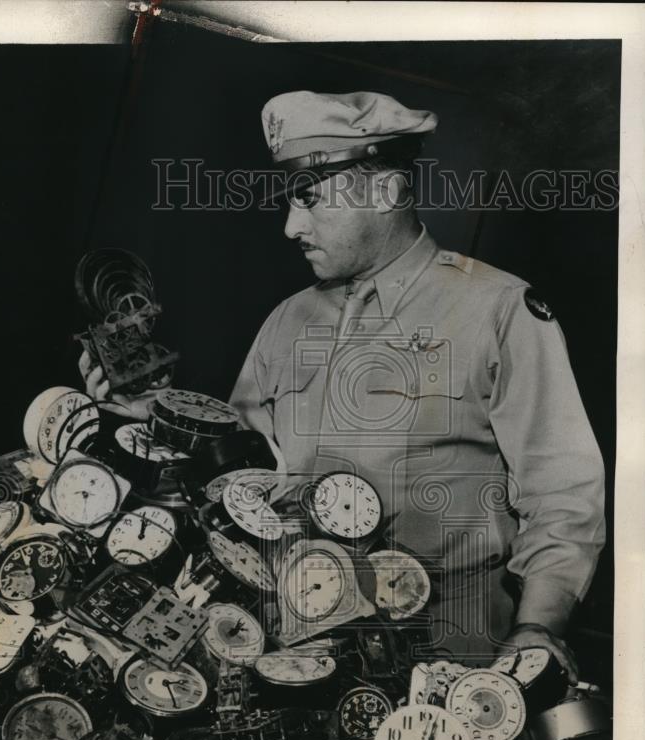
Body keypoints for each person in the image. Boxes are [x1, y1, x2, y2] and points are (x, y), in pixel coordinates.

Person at [81, 90, 606, 676]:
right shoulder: (287, 320)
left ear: (383, 190)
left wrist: (537, 629)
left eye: (308, 199)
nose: (290, 226)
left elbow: (563, 493)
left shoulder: (497, 310)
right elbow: (239, 478)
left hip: (444, 639)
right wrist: (155, 417)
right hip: (289, 632)